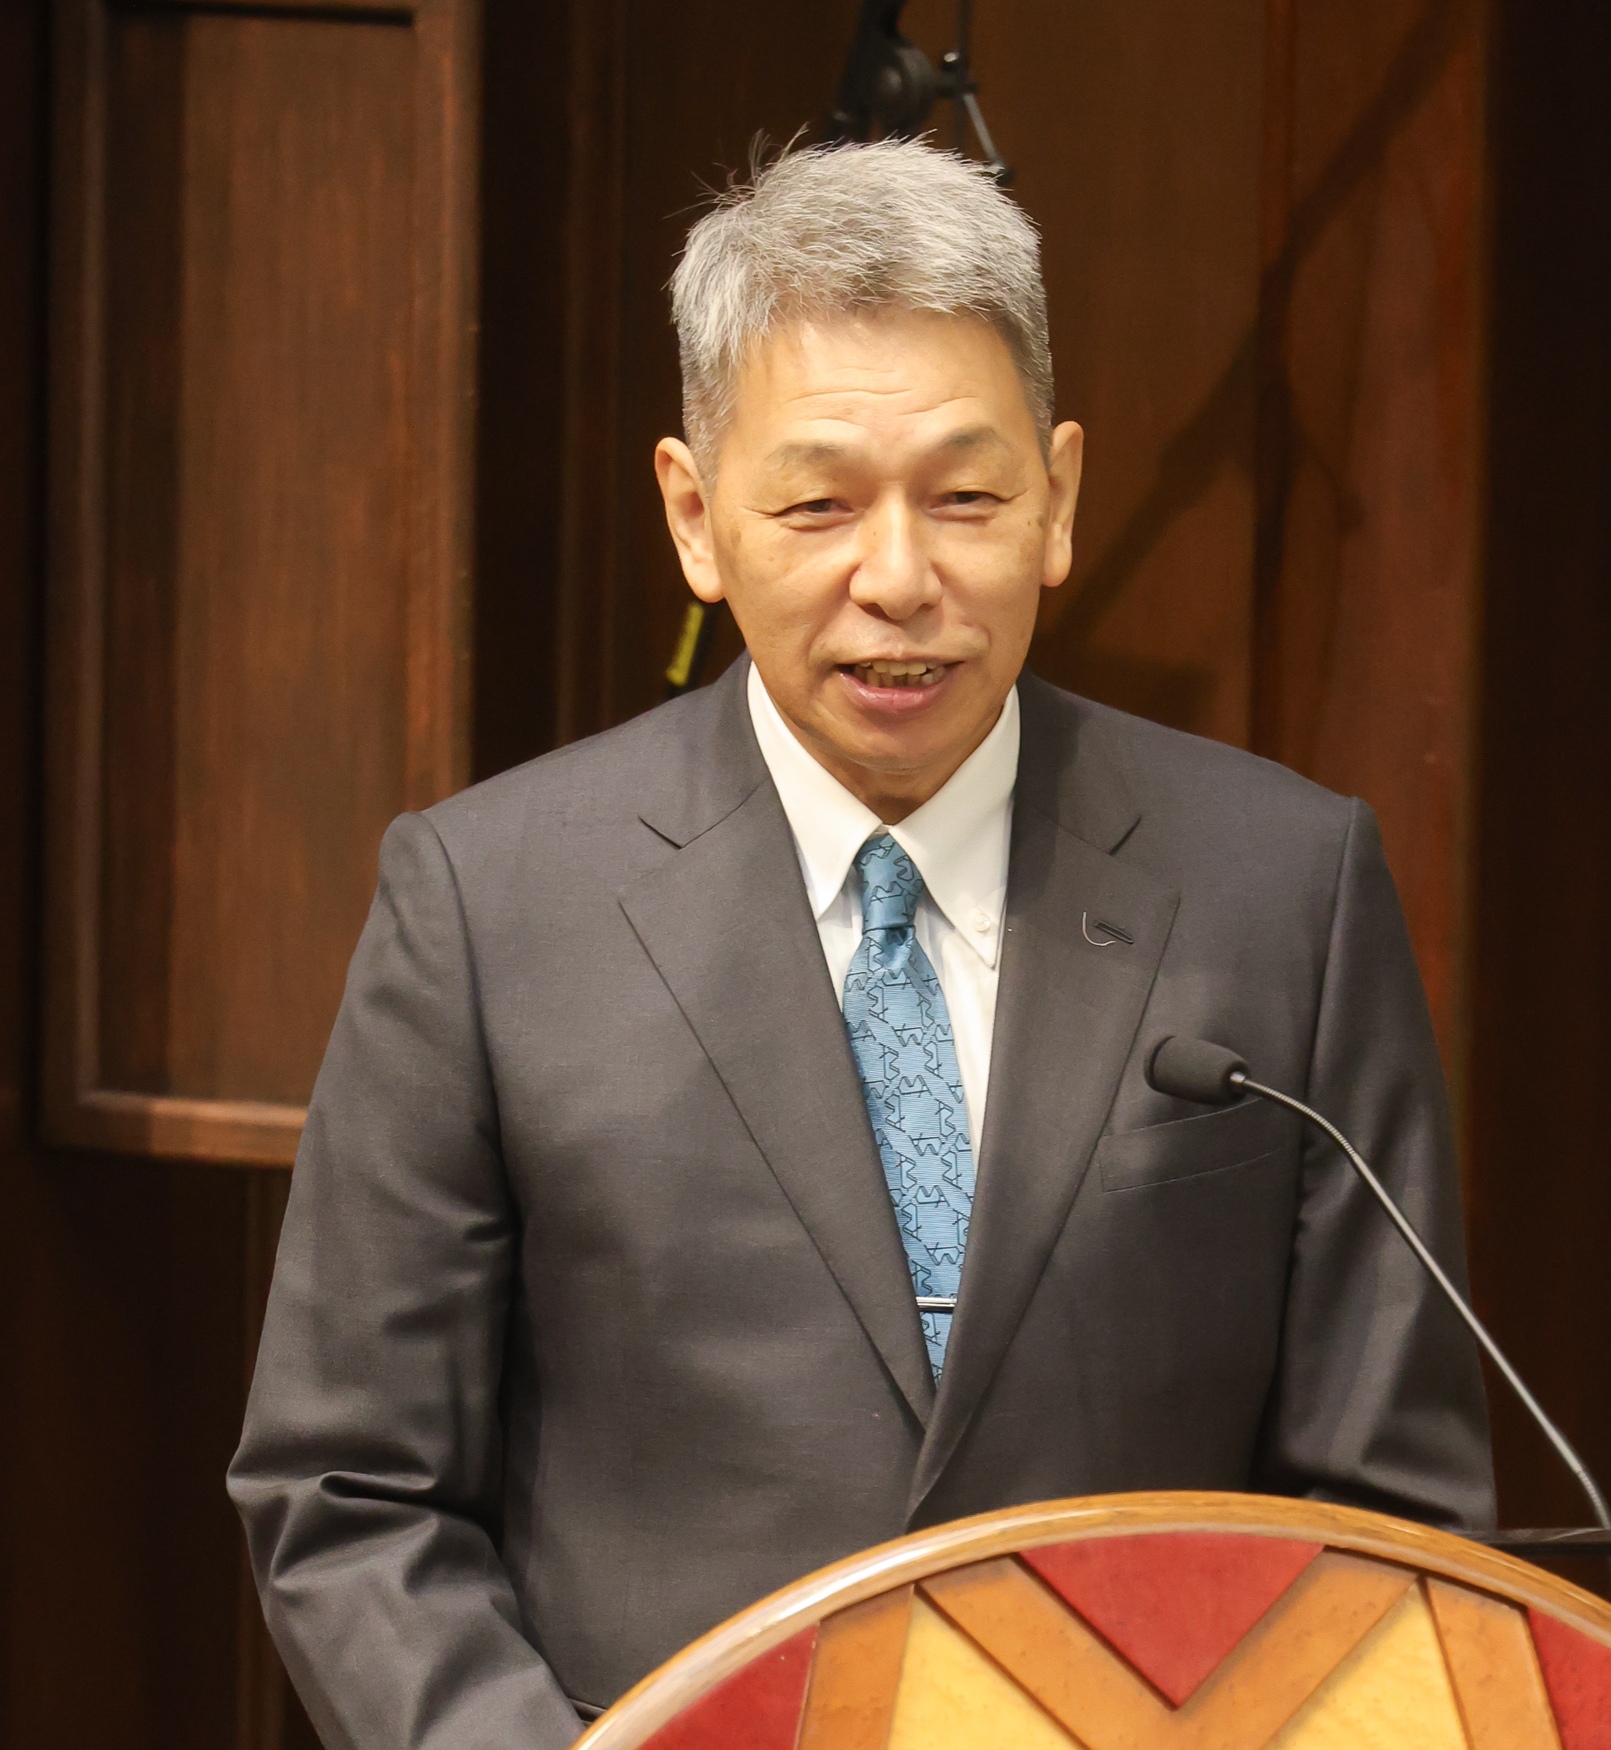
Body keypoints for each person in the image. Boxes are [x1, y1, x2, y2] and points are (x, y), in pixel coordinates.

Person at [229, 139, 1492, 1750]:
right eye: (818, 503)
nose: (898, 579)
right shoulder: (489, 904)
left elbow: (1391, 1514)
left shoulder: (1283, 886)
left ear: (1058, 499)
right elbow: (348, 1488)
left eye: (966, 497)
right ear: (696, 515)